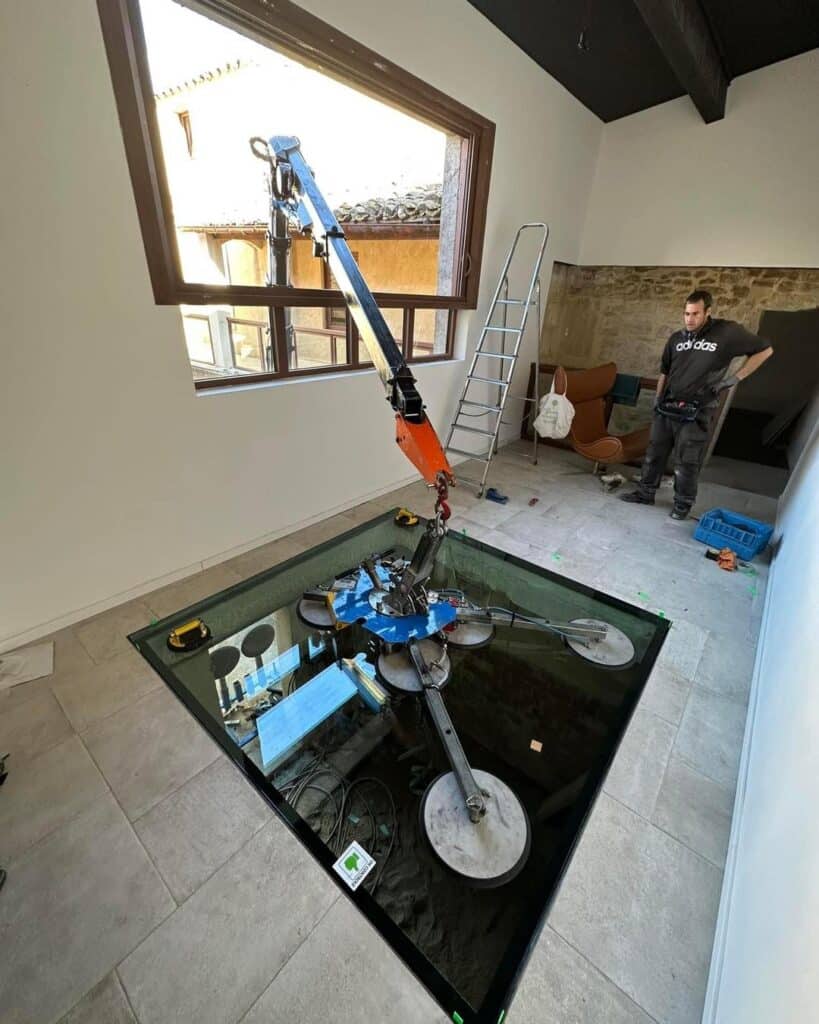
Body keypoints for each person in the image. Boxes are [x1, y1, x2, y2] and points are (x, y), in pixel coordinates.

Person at [621, 290, 774, 519]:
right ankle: (645, 493)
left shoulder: (726, 332)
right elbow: (665, 371)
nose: (689, 319)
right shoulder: (676, 338)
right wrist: (657, 398)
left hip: (698, 410)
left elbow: (765, 349)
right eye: (686, 313)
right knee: (654, 453)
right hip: (668, 406)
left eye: (695, 314)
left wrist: (733, 380)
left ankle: (682, 505)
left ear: (707, 312)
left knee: (687, 461)